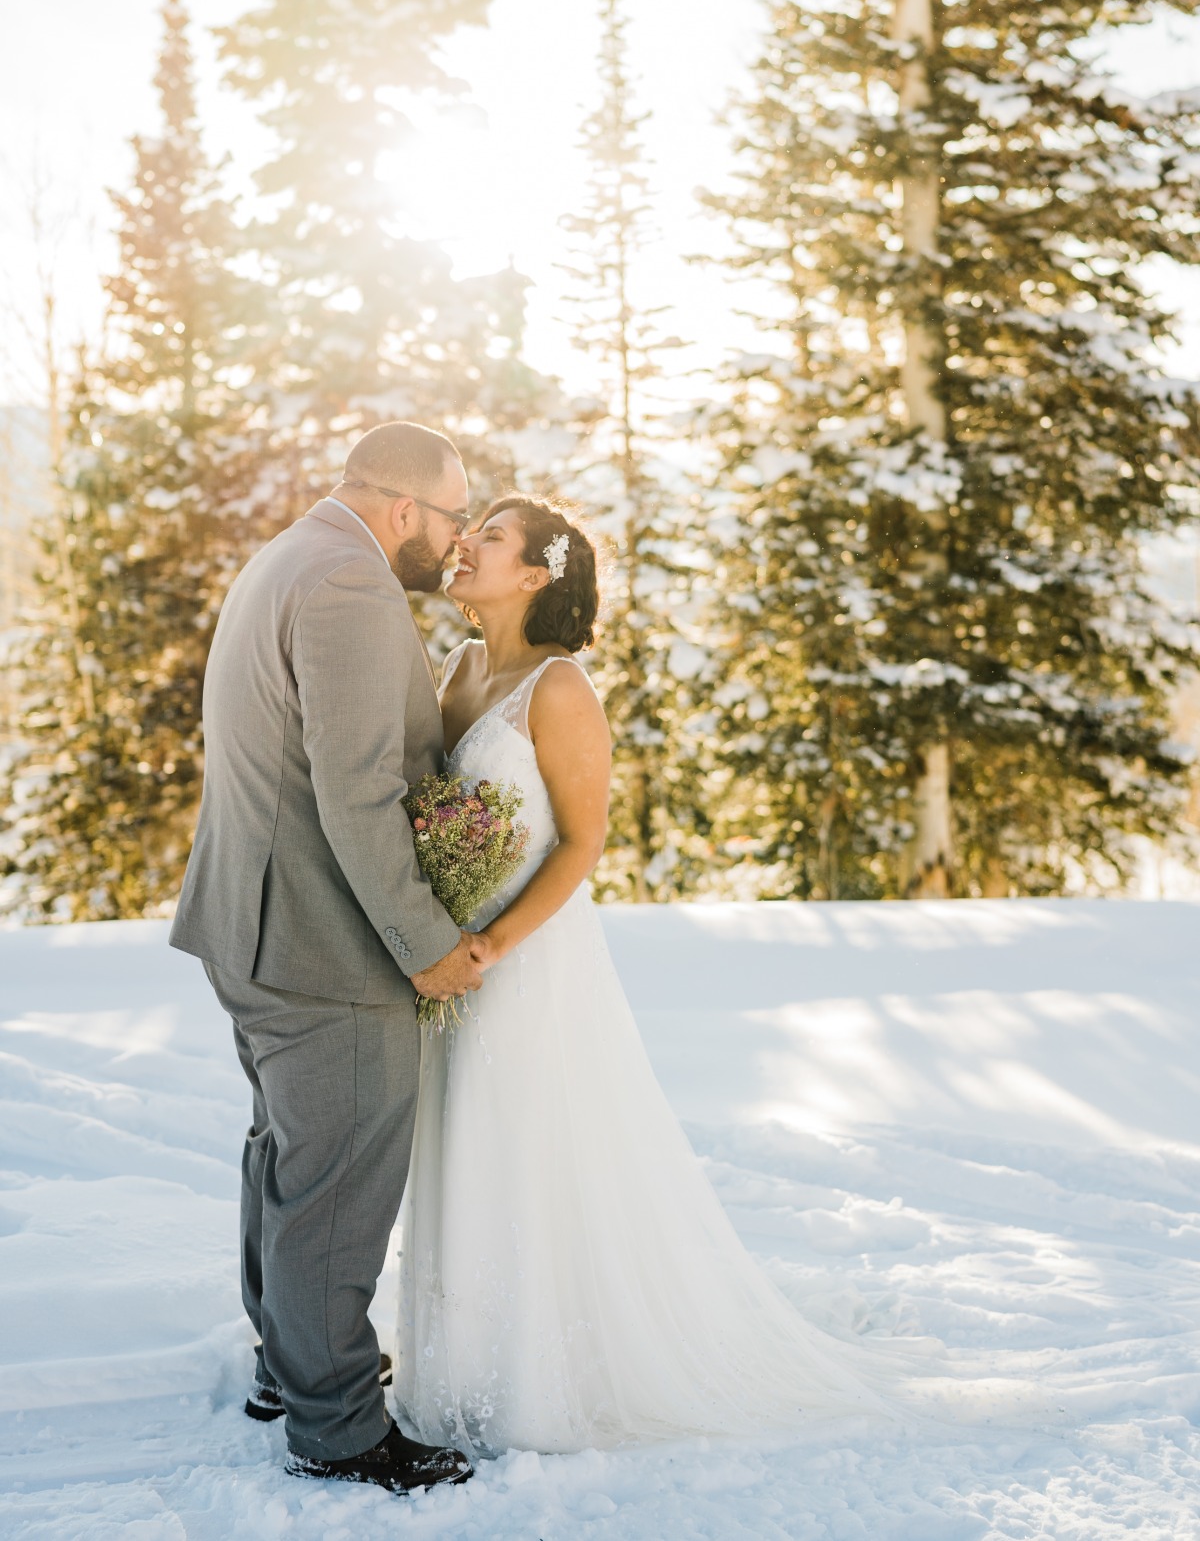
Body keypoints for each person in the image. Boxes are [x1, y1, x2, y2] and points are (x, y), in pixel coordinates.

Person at [394, 497, 894, 1455]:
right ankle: (456, 1367)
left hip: (528, 965)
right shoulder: (459, 667)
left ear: (535, 574)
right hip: (447, 958)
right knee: (458, 1140)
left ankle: (538, 1381)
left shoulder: (560, 688)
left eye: (487, 537)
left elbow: (582, 844)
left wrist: (495, 946)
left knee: (524, 1146)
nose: (463, 546)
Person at [169, 420, 482, 1496]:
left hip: (252, 921)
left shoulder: (293, 550)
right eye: (451, 522)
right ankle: (341, 1425)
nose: (455, 545)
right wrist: (429, 947)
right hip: (317, 937)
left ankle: (287, 1366)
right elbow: (359, 795)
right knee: (337, 1187)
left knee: (291, 1160)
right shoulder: (350, 583)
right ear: (405, 510)